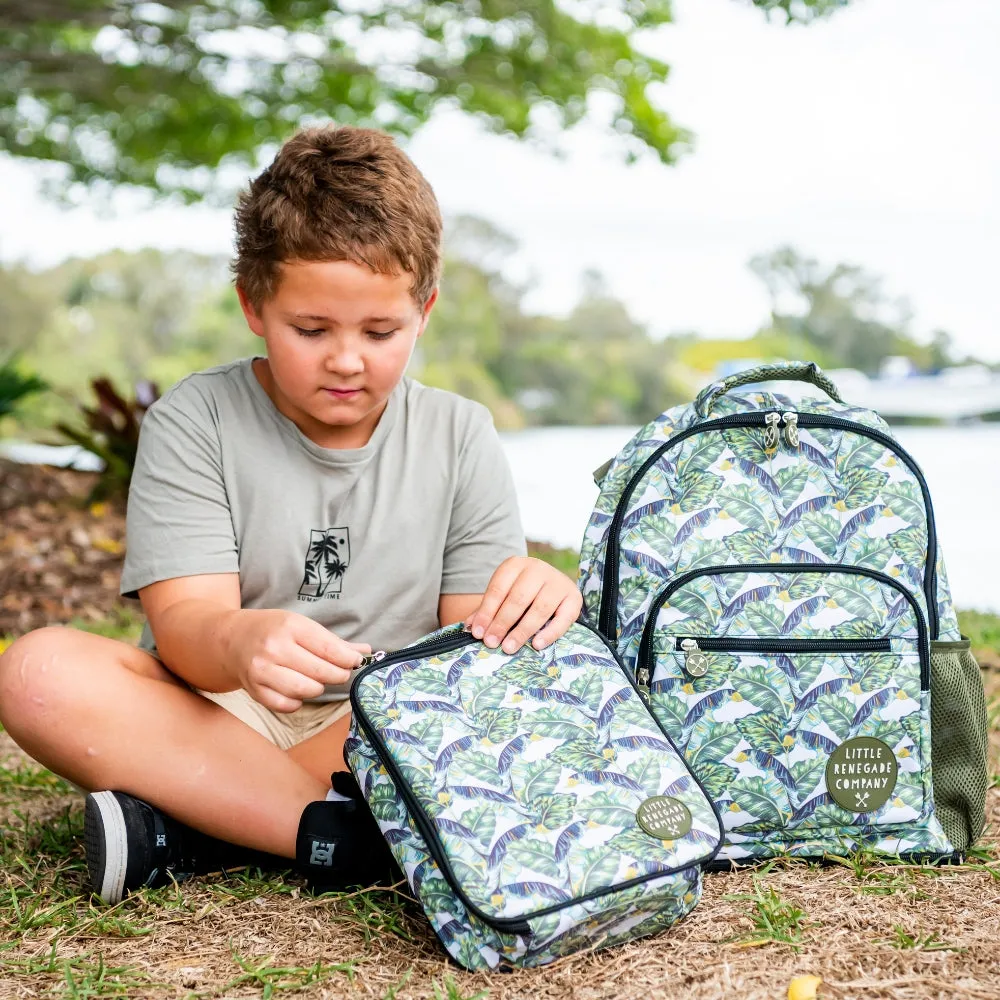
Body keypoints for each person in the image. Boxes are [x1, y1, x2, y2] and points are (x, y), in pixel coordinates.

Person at [0, 125, 582, 903]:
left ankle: (202, 825)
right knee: (38, 673)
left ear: (425, 311)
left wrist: (534, 599)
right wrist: (242, 641)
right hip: (216, 715)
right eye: (311, 331)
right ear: (254, 304)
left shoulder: (459, 432)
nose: (347, 359)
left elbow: (468, 653)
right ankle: (350, 840)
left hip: (378, 727)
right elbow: (187, 629)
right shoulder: (195, 420)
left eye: (381, 332)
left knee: (515, 694)